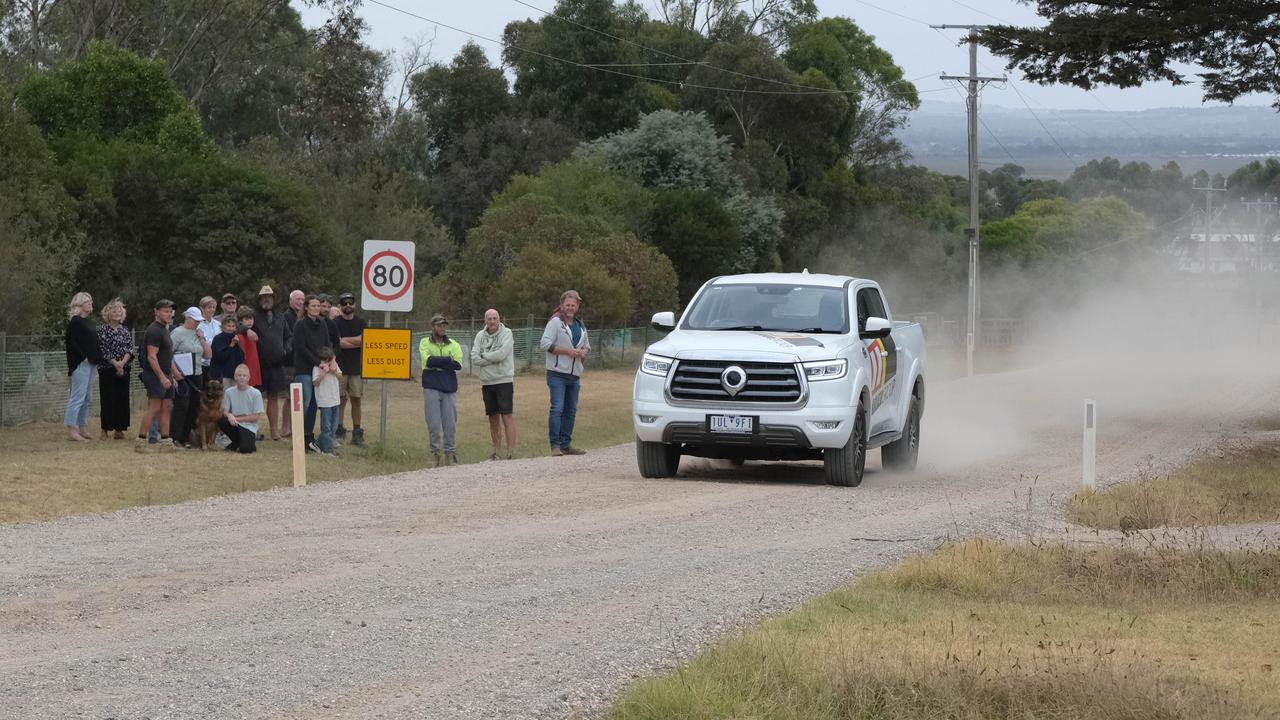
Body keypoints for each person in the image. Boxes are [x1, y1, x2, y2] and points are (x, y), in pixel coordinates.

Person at [540, 290, 590, 456]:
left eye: (573, 305)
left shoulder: (580, 325)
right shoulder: (555, 323)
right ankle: (555, 445)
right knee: (557, 408)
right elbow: (545, 344)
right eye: (567, 305)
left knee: (571, 410)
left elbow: (587, 347)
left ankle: (566, 444)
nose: (570, 308)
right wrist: (568, 352)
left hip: (574, 375)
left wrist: (583, 352)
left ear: (577, 306)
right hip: (557, 374)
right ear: (562, 305)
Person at [471, 308, 516, 460]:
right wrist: (490, 357)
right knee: (493, 418)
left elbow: (502, 355)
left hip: (504, 380)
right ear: (485, 320)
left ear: (499, 319)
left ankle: (510, 452)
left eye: (495, 318)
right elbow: (474, 358)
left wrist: (484, 356)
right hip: (487, 382)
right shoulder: (479, 336)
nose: (492, 321)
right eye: (489, 318)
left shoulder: (507, 333)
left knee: (507, 416)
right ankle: (497, 451)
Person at [419, 313, 462, 467]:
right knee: (433, 422)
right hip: (431, 385)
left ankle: (450, 453)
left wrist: (438, 362)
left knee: (450, 422)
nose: (442, 328)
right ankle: (435, 454)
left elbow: (457, 364)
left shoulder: (454, 344)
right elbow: (428, 361)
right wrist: (446, 361)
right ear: (433, 327)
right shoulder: (424, 342)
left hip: (449, 386)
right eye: (439, 325)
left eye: (444, 325)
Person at [137, 299, 178, 453]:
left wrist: (173, 375)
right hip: (154, 375)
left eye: (171, 311)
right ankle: (140, 441)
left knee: (167, 406)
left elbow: (167, 355)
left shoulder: (164, 329)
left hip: (166, 373)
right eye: (166, 311)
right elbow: (151, 357)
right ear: (156, 312)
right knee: (154, 408)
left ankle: (166, 441)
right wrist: (162, 377)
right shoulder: (154, 330)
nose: (169, 314)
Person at [253, 285, 291, 440]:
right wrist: (247, 330)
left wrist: (285, 349)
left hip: (276, 364)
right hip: (258, 364)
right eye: (263, 297)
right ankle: (252, 431)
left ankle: (274, 431)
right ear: (259, 299)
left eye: (269, 296)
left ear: (274, 299)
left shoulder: (280, 316)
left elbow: (289, 336)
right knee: (253, 397)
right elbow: (240, 325)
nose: (266, 299)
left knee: (274, 397)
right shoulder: (253, 315)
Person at [170, 307, 211, 447]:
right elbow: (168, 355)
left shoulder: (198, 333)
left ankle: (185, 437)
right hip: (182, 375)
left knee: (194, 406)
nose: (197, 323)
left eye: (199, 321)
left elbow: (208, 355)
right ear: (187, 318)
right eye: (195, 320)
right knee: (182, 406)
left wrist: (202, 338)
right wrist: (175, 374)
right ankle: (175, 437)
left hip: (197, 374)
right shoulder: (177, 333)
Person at [292, 294, 329, 452]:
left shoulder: (322, 324)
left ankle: (308, 437)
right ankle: (298, 438)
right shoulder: (300, 325)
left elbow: (328, 343)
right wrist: (318, 362)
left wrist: (327, 361)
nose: (316, 308)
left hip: (319, 369)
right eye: (313, 305)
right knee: (304, 404)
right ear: (306, 307)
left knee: (314, 405)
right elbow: (301, 348)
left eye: (318, 306)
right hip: (305, 370)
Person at [63, 291, 101, 442]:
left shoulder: (90, 322)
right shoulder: (76, 321)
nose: (91, 302)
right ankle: (72, 430)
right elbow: (71, 343)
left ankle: (82, 427)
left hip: (92, 364)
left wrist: (96, 358)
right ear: (79, 304)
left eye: (91, 300)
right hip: (81, 364)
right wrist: (83, 357)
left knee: (87, 398)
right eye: (87, 301)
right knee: (77, 397)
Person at [96, 298, 134, 440]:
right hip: (107, 369)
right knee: (108, 398)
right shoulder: (102, 330)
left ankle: (119, 429)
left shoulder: (125, 330)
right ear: (108, 313)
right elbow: (103, 349)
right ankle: (105, 429)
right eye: (114, 310)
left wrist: (122, 364)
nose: (117, 312)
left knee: (122, 398)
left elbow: (129, 349)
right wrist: (115, 364)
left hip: (124, 369)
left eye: (119, 310)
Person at [333, 292, 367, 446]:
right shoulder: (335, 323)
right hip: (339, 368)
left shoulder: (361, 323)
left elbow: (365, 340)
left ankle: (357, 432)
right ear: (340, 306)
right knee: (339, 400)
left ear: (354, 305)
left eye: (350, 303)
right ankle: (338, 429)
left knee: (356, 400)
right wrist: (355, 341)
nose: (348, 306)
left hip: (356, 368)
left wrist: (346, 340)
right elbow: (337, 343)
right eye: (344, 303)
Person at [218, 364, 264, 454]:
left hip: (249, 427)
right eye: (239, 375)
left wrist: (236, 418)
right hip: (235, 424)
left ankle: (238, 443)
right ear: (235, 377)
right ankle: (237, 441)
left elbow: (255, 417)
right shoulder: (229, 392)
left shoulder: (256, 393)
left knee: (246, 449)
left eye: (244, 375)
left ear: (249, 378)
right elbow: (225, 411)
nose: (241, 378)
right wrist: (229, 415)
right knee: (221, 419)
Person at [312, 346, 342, 456]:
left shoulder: (334, 365)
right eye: (324, 361)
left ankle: (318, 443)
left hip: (335, 399)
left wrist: (333, 371)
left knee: (333, 426)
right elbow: (315, 383)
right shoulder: (317, 368)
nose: (327, 363)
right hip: (325, 401)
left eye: (328, 360)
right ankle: (327, 450)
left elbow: (340, 376)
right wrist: (323, 374)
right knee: (327, 427)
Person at [210, 315, 244, 380]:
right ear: (223, 326)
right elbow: (220, 356)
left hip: (234, 375)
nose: (231, 328)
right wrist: (231, 345)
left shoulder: (235, 337)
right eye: (228, 326)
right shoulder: (218, 339)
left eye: (233, 326)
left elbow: (241, 357)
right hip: (222, 376)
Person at [236, 306, 262, 388]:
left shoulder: (253, 333)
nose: (250, 321)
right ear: (240, 321)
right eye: (247, 319)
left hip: (254, 369)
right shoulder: (239, 336)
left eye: (251, 318)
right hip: (244, 370)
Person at [196, 296, 221, 373]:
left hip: (217, 363)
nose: (212, 309)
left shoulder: (219, 324)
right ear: (202, 308)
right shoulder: (197, 324)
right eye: (209, 307)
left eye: (214, 307)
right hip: (202, 364)